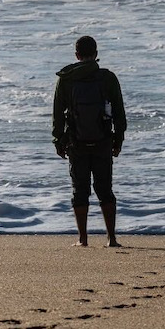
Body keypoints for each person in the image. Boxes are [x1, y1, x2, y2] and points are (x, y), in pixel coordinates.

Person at [52, 36, 126, 247]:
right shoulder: (107, 78)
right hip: (103, 141)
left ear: (76, 55)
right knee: (105, 190)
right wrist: (118, 139)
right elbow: (119, 113)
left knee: (80, 190)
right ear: (96, 53)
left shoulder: (66, 79)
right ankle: (111, 238)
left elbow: (57, 113)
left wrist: (58, 140)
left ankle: (82, 238)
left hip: (77, 142)